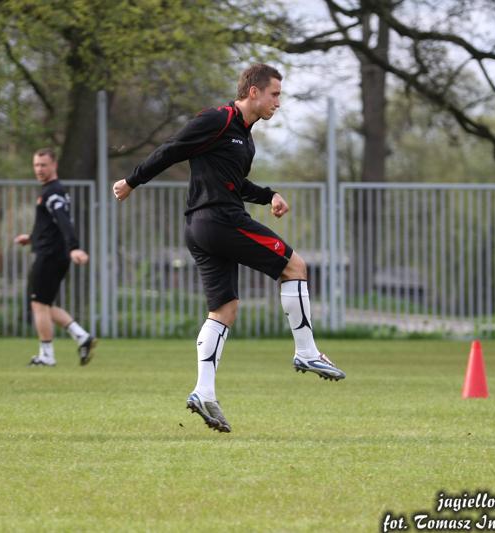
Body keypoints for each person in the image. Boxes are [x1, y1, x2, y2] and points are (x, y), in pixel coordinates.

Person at [112, 64, 345, 433]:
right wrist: (132, 181)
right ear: (253, 92)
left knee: (224, 310)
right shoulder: (218, 119)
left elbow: (235, 183)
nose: (278, 102)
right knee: (295, 266)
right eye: (274, 94)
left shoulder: (245, 138)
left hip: (202, 227)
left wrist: (269, 195)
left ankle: (203, 392)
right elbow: (172, 149)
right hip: (219, 221)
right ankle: (306, 352)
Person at [14, 148, 96, 367]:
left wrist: (74, 247)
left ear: (54, 165)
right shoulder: (52, 191)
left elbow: (63, 220)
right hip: (53, 253)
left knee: (38, 305)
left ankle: (47, 356)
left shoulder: (53, 192)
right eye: (36, 165)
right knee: (45, 304)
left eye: (44, 165)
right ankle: (82, 337)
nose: (39, 169)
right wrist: (31, 238)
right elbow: (50, 226)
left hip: (50, 256)